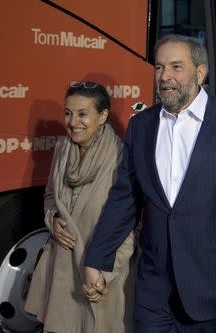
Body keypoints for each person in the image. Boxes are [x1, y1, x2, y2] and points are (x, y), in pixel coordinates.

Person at [82, 34, 216, 333]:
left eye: (177, 67)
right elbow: (125, 198)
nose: (165, 77)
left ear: (200, 73)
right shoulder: (141, 126)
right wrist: (97, 258)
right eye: (160, 67)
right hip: (154, 291)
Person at [24, 81, 136, 333]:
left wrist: (105, 274)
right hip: (63, 270)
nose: (73, 121)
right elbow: (51, 195)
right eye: (68, 113)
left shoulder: (120, 156)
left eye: (82, 114)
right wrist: (52, 219)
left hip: (100, 272)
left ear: (103, 116)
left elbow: (127, 222)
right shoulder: (62, 149)